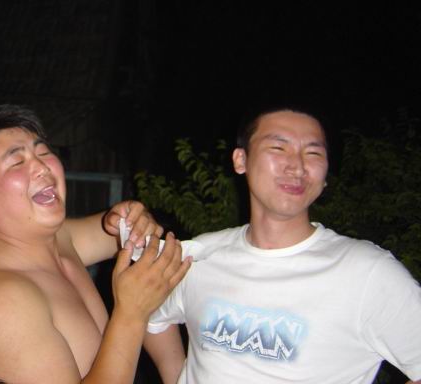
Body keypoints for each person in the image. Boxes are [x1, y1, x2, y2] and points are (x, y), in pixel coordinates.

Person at [145, 108, 421, 384]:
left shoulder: (367, 273)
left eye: (313, 153)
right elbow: (148, 314)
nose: (297, 167)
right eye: (278, 148)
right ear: (241, 160)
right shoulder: (201, 255)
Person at [0, 104, 192, 383]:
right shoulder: (3, 297)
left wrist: (133, 216)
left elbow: (127, 233)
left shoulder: (56, 239)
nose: (41, 167)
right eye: (17, 162)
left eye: (43, 152)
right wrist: (131, 315)